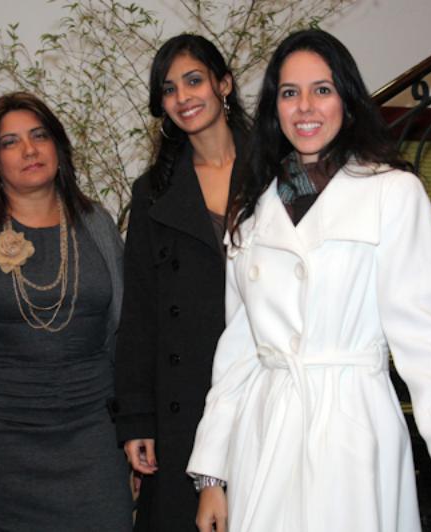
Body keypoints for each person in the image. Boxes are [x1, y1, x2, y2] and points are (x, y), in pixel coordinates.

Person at [187, 29, 431, 532]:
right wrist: (213, 475)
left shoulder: (393, 193)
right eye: (290, 93)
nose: (305, 107)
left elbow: (425, 336)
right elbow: (238, 355)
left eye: (321, 90)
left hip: (353, 433)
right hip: (265, 437)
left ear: (346, 99)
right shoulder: (252, 211)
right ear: (274, 107)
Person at [0, 92, 132, 532]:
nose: (29, 150)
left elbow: (127, 341)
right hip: (1, 449)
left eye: (39, 136)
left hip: (96, 441)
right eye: (11, 142)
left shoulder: (98, 225)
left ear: (58, 146)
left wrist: (136, 432)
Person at [112, 34, 251, 531]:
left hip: (267, 387)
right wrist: (136, 419)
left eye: (194, 81)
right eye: (169, 89)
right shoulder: (153, 192)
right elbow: (140, 313)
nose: (183, 97)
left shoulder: (277, 170)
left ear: (224, 84)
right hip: (183, 402)